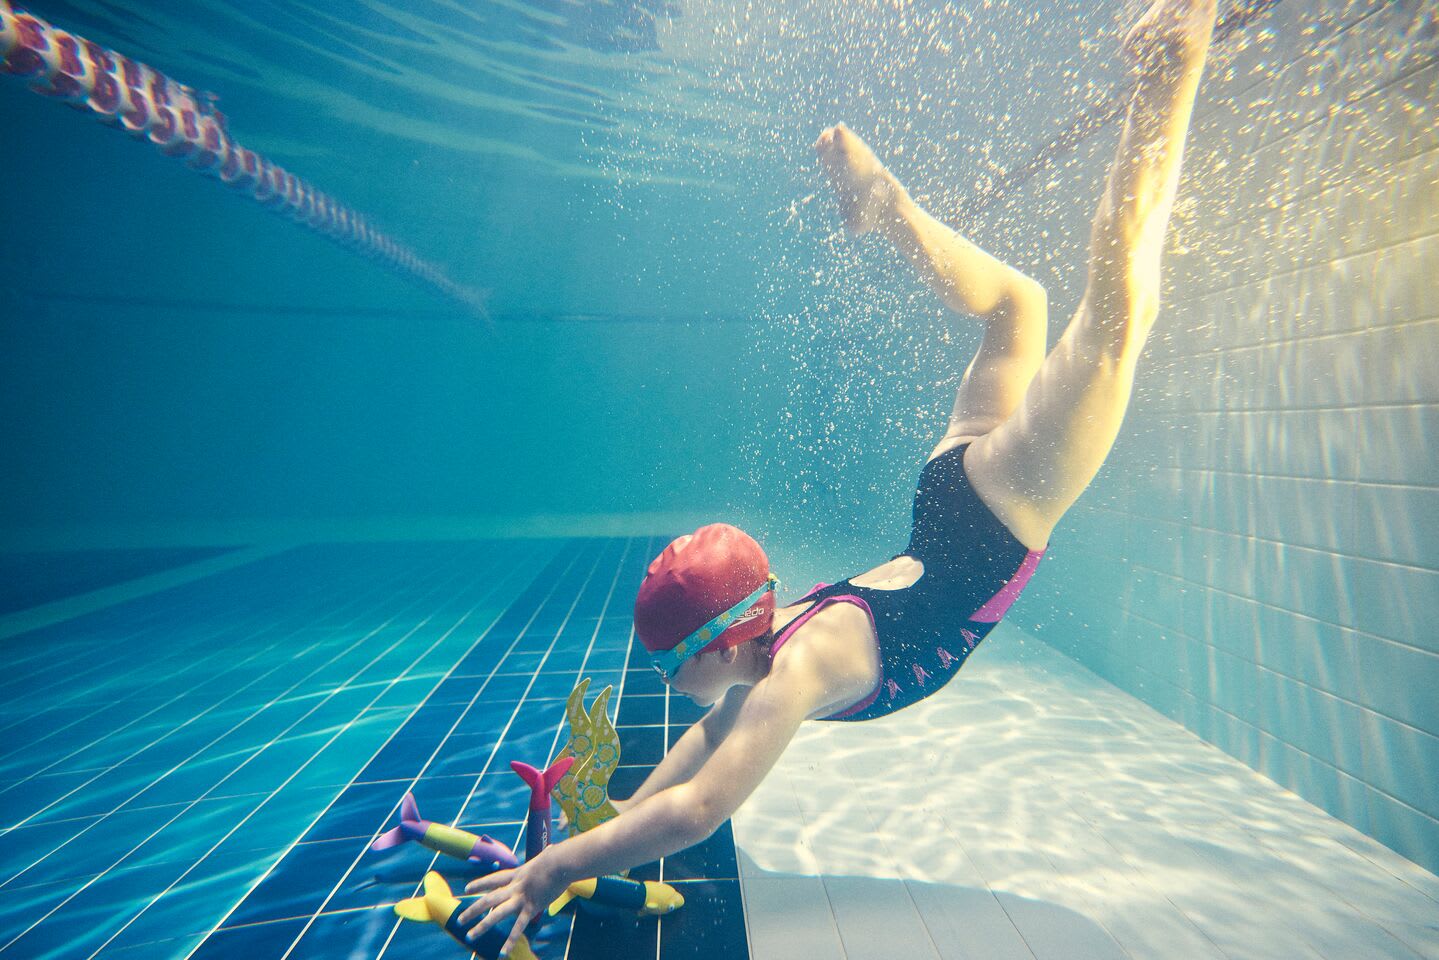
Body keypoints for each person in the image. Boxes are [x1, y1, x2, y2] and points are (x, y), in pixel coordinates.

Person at [462, 0, 1218, 951]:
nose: (669, 683)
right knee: (1017, 310)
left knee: (1114, 323)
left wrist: (559, 867)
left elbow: (699, 807)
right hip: (949, 499)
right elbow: (699, 750)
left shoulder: (797, 670)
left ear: (720, 648)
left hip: (992, 512)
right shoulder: (765, 648)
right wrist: (592, 835)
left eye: (669, 666)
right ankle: (890, 212)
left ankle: (1169, 76)